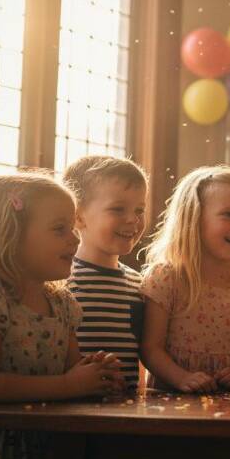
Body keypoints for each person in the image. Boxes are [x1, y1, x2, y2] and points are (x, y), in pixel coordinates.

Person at [0, 173, 122, 459]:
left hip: (54, 447)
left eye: (73, 227)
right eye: (59, 229)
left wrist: (96, 375)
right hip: (2, 453)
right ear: (11, 235)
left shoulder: (63, 304)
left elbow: (71, 371)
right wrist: (67, 385)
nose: (75, 239)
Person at [140, 166, 230, 392]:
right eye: (228, 214)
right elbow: (151, 349)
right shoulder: (167, 278)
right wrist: (182, 378)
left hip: (228, 401)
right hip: (171, 400)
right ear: (194, 218)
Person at [64, 155, 149, 390]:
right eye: (117, 209)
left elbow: (141, 354)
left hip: (128, 405)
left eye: (139, 210)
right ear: (78, 217)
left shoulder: (141, 284)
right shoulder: (61, 280)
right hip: (73, 405)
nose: (132, 219)